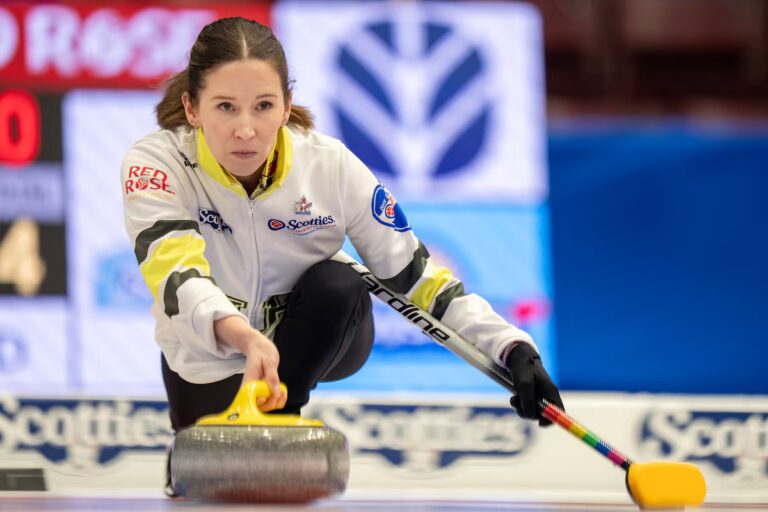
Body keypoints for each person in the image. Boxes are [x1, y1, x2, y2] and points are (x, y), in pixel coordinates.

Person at [122, 15, 563, 448]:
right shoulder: (157, 164)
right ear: (191, 108)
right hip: (208, 354)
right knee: (198, 477)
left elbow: (418, 277)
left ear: (286, 105)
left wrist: (513, 347)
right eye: (225, 107)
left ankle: (277, 419)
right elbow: (178, 277)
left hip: (318, 340)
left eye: (263, 106)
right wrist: (246, 338)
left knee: (338, 281)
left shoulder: (329, 165)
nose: (246, 129)